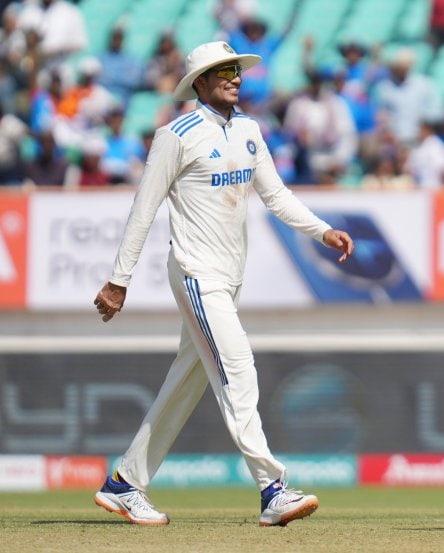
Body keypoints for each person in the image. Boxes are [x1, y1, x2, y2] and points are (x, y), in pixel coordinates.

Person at [91, 41, 354, 526]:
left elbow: (275, 195)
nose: (234, 77)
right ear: (200, 84)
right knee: (238, 368)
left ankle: (125, 482)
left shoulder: (250, 131)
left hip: (230, 277)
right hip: (196, 273)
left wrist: (322, 230)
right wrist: (118, 281)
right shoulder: (177, 134)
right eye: (222, 71)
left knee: (185, 384)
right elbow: (143, 210)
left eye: (236, 69)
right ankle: (272, 488)